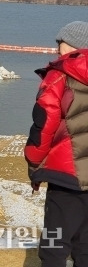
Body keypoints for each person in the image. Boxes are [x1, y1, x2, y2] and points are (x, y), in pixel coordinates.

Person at [24, 21, 88, 267]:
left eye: (59, 44)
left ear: (69, 45)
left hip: (66, 175)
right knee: (85, 246)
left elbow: (44, 123)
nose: (56, 50)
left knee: (54, 246)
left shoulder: (60, 74)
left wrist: (34, 161)